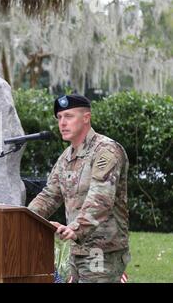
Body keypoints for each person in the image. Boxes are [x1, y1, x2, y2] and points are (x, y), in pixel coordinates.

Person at [27, 94, 130, 283]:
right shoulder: (66, 156)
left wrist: (75, 228)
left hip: (103, 250)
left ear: (86, 118)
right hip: (77, 249)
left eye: (69, 116)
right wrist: (24, 220)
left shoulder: (106, 151)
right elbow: (49, 195)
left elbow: (101, 199)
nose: (62, 123)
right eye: (59, 118)